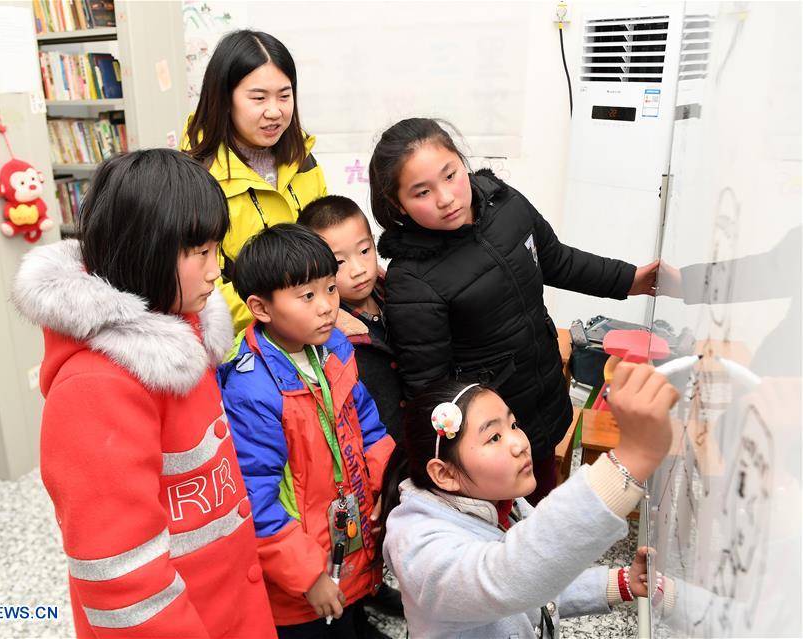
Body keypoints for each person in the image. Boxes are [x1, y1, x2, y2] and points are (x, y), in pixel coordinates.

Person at [12, 150, 276, 638]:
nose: (216, 271)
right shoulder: (97, 389)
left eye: (217, 250)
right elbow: (122, 583)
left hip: (225, 607)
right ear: (145, 250)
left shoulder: (183, 336)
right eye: (200, 253)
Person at [369, 117, 659, 503]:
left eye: (450, 175)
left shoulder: (506, 204)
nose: (446, 197)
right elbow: (430, 390)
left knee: (545, 503)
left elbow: (557, 260)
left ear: (461, 160)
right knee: (511, 538)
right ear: (396, 204)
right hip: (488, 444)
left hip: (545, 392)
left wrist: (630, 280)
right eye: (422, 192)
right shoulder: (412, 280)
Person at [376, 363, 681, 638]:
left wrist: (622, 583)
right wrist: (627, 462)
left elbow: (538, 579)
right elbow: (506, 577)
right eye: (493, 437)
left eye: (513, 425)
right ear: (445, 474)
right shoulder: (418, 546)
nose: (520, 443)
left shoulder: (504, 503)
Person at [218, 224, 395, 638]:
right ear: (261, 308)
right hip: (297, 583)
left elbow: (367, 425)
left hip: (344, 543)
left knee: (348, 615)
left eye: (330, 289)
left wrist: (387, 485)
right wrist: (308, 576)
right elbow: (253, 500)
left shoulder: (333, 348)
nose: (327, 307)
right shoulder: (253, 392)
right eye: (307, 296)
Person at [183, 29, 328, 333]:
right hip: (243, 340)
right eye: (258, 98)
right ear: (224, 99)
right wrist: (285, 319)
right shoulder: (195, 175)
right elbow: (202, 284)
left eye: (285, 96)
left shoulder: (303, 158)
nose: (274, 111)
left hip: (312, 326)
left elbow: (327, 241)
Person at [298, 195, 405, 443]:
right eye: (339, 262)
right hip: (372, 450)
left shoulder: (398, 292)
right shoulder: (326, 332)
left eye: (365, 250)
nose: (358, 269)